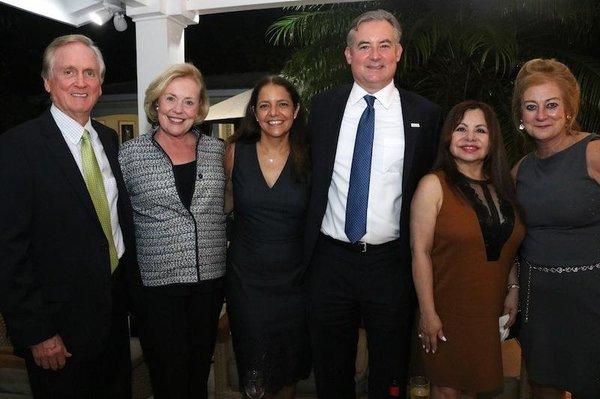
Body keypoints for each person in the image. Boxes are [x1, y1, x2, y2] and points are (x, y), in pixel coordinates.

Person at [304, 9, 443, 398]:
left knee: (390, 372)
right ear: (349, 55)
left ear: (398, 52)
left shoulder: (425, 115)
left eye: (385, 45)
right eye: (364, 46)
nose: (375, 55)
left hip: (391, 264)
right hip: (329, 261)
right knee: (331, 373)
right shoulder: (323, 108)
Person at [0, 34, 135, 398]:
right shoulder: (16, 148)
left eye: (89, 72)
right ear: (48, 82)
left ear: (100, 85)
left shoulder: (107, 140)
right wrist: (37, 333)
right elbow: (8, 251)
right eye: (69, 71)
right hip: (57, 334)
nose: (80, 82)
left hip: (112, 320)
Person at [118, 63, 226, 399]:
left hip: (208, 285)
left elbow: (231, 204)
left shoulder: (217, 151)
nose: (178, 110)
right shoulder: (129, 154)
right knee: (168, 378)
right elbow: (117, 220)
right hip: (156, 292)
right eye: (171, 99)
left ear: (200, 108)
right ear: (156, 104)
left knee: (197, 376)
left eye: (189, 102)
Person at [410, 101, 524, 398]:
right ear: (448, 137)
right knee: (446, 390)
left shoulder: (504, 188)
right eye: (461, 129)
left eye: (480, 130)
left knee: (472, 388)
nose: (470, 138)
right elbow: (419, 252)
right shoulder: (433, 185)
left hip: (486, 311)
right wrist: (428, 313)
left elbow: (503, 241)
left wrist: (513, 288)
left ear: (492, 139)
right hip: (445, 309)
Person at [511, 58, 600, 398]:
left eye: (551, 105)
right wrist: (513, 286)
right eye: (531, 107)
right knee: (542, 385)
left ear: (568, 110)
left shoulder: (592, 152)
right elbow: (515, 240)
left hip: (591, 301)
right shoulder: (521, 170)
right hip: (541, 303)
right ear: (521, 116)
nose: (541, 115)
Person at [224, 75, 311, 398]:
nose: (274, 112)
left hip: (296, 284)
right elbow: (225, 203)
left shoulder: (312, 155)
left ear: (296, 110)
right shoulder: (235, 152)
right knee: (255, 379)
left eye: (282, 104)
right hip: (248, 284)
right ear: (255, 113)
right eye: (265, 105)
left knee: (287, 374)